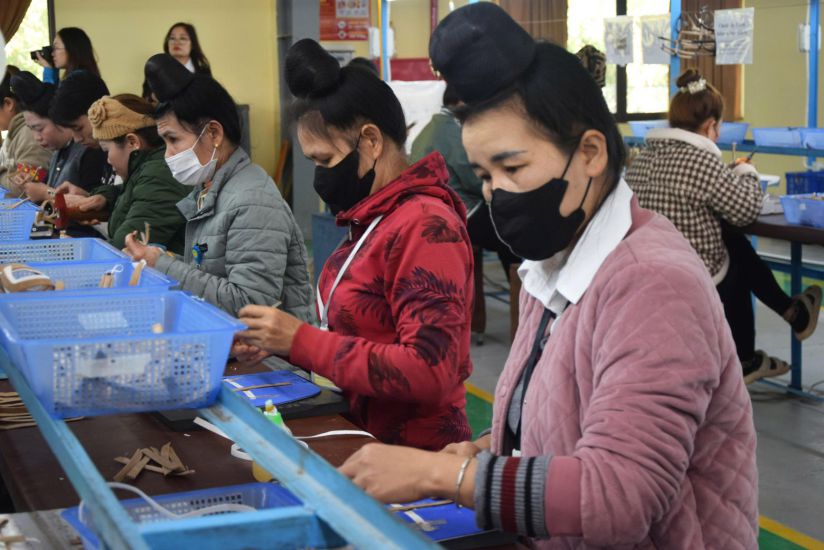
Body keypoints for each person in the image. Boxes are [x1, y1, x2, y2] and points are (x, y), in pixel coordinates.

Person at [339, 4, 758, 548]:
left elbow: (618, 495)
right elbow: (564, 417)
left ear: (589, 153)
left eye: (513, 168)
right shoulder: (556, 261)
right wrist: (495, 447)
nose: (495, 193)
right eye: (486, 175)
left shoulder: (654, 284)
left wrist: (442, 476)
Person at [234, 39, 474, 450]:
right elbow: (367, 335)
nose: (320, 177)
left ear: (371, 141)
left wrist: (301, 341)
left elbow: (430, 370)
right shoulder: (377, 216)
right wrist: (282, 342)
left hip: (415, 454)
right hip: (366, 436)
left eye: (325, 160)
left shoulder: (425, 227)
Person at [627, 69, 821, 384]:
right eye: (718, 128)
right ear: (710, 125)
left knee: (731, 242)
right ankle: (753, 352)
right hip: (693, 273)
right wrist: (747, 173)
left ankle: (789, 320)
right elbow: (746, 210)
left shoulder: (645, 159)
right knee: (735, 253)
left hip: (649, 269)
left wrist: (727, 176)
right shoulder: (701, 161)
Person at [125, 53, 312, 320]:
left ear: (213, 133)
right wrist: (158, 258)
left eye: (174, 140)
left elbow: (250, 306)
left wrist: (163, 265)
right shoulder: (209, 190)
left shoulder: (252, 200)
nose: (168, 155)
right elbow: (209, 275)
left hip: (266, 358)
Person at [54, 95, 190, 253]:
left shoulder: (160, 175)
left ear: (132, 142)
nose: (108, 160)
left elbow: (123, 251)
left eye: (107, 150)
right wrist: (105, 197)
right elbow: (134, 191)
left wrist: (77, 251)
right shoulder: (148, 169)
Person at [9, 71, 109, 203]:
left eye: (39, 129)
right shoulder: (59, 151)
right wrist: (34, 183)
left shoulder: (91, 149)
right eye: (31, 130)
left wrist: (47, 193)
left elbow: (92, 204)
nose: (36, 137)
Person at [0, 67, 53, 192]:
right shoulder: (14, 133)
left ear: (8, 104)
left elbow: (25, 189)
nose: (38, 135)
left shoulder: (29, 135)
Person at [34, 27, 100, 84]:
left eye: (56, 48)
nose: (52, 54)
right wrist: (53, 71)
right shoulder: (84, 76)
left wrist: (48, 70)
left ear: (72, 49)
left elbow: (50, 98)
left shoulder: (78, 79)